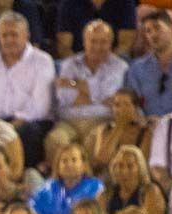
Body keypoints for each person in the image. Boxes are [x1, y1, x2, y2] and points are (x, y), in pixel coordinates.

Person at [0, 11, 55, 169]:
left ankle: (23, 177)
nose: (9, 39)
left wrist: (8, 128)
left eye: (14, 34)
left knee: (28, 132)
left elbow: (40, 107)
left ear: (26, 35)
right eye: (4, 35)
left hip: (30, 122)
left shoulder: (42, 61)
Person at [50, 20, 128, 155]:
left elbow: (111, 97)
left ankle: (89, 176)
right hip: (68, 122)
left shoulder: (120, 66)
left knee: (94, 144)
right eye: (93, 41)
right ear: (84, 42)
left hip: (101, 120)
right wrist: (98, 95)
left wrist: (74, 84)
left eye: (103, 42)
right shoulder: (69, 64)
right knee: (55, 141)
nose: (98, 46)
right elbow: (64, 97)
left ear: (111, 44)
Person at [31, 142, 105, 214]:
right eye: (64, 161)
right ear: (58, 166)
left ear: (83, 164)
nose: (69, 164)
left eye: (74, 160)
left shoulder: (96, 188)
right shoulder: (46, 189)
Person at [85, 89, 152, 176]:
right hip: (108, 177)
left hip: (133, 176)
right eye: (117, 105)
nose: (121, 109)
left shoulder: (145, 132)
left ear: (135, 108)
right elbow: (101, 159)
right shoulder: (103, 129)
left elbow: (141, 163)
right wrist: (119, 127)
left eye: (126, 105)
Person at [103, 143, 165, 214]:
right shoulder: (107, 194)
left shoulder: (150, 192)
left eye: (130, 166)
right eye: (120, 166)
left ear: (140, 168)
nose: (124, 171)